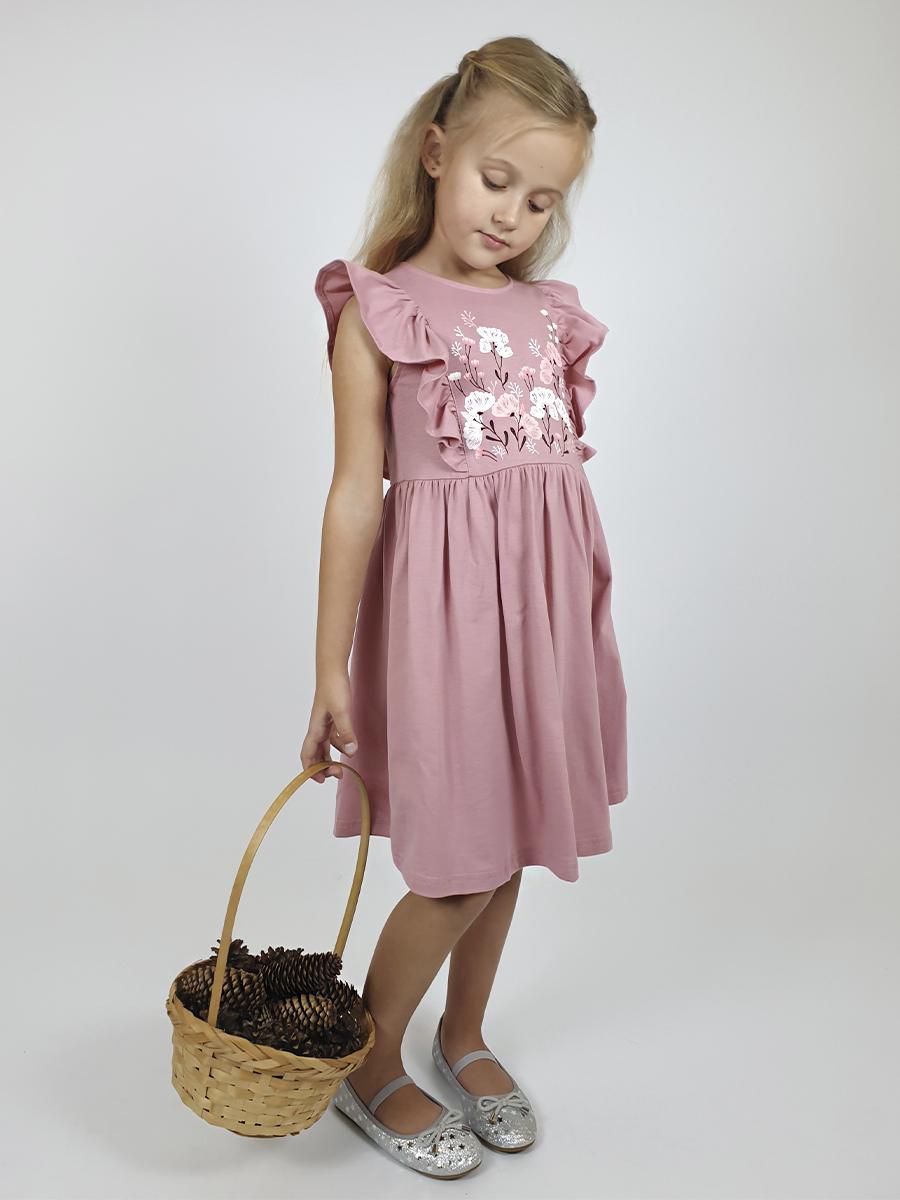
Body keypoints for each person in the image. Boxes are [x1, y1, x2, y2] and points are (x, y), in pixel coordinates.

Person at [301, 35, 628, 1178]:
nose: (514, 216)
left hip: (545, 619)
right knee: (457, 863)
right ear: (437, 153)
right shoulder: (380, 311)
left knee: (517, 835)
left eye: (541, 201)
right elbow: (356, 496)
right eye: (499, 181)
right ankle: (367, 1057)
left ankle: (465, 1034)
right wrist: (330, 666)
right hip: (445, 627)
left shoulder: (546, 313)